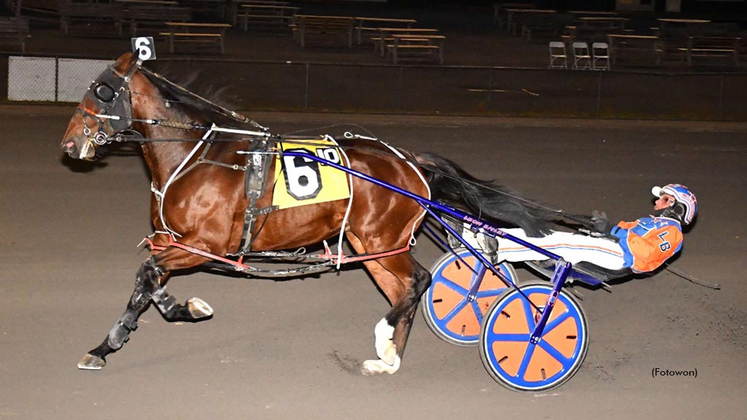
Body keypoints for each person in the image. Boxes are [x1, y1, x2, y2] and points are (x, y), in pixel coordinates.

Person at [459, 184, 698, 281]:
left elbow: (644, 254)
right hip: (611, 249)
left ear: (678, 208)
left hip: (620, 259)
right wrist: (601, 228)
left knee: (562, 246)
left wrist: (612, 230)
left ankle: (496, 248)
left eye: (664, 200)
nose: (657, 203)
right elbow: (624, 232)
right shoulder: (650, 222)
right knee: (550, 236)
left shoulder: (672, 233)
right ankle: (479, 237)